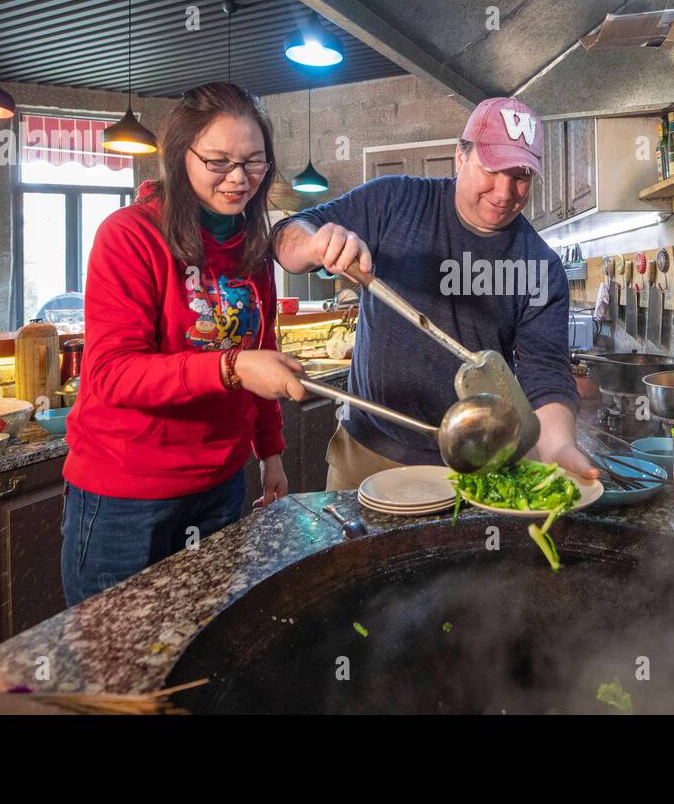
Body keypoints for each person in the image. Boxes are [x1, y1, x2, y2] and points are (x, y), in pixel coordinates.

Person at [61, 82, 307, 606]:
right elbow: (111, 374)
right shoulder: (129, 236)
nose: (238, 178)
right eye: (218, 162)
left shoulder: (252, 246)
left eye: (253, 162)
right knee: (117, 648)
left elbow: (262, 347)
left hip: (220, 484)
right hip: (126, 494)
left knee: (204, 635)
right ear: (180, 155)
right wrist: (231, 368)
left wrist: (271, 453)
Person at [272, 97, 596, 490]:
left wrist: (559, 447)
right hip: (367, 454)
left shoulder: (541, 267)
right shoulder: (393, 201)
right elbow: (285, 238)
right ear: (461, 157)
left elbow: (546, 374)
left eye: (521, 176)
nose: (504, 191)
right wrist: (315, 244)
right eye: (491, 169)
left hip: (475, 465)